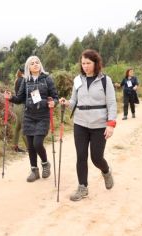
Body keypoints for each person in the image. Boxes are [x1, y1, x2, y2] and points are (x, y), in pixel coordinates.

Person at [59, 49, 117, 201]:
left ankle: (106, 171)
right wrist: (66, 103)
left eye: (88, 63)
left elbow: (111, 103)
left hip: (99, 124)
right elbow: (74, 101)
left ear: (96, 63)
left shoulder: (106, 80)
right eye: (83, 63)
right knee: (81, 156)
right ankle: (82, 188)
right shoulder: (78, 80)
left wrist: (111, 124)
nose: (85, 66)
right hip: (80, 123)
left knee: (96, 158)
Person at [4, 56, 59, 182]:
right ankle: (34, 170)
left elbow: (55, 97)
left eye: (37, 62)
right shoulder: (26, 80)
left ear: (40, 65)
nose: (35, 64)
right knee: (30, 146)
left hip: (42, 116)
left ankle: (45, 164)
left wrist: (53, 103)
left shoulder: (47, 79)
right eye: (32, 63)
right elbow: (19, 98)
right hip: (29, 116)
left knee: (37, 143)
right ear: (28, 67)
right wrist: (10, 97)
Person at [12, 66, 28, 153]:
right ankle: (30, 148)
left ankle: (15, 145)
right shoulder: (23, 80)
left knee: (18, 127)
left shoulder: (17, 79)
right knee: (24, 127)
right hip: (21, 106)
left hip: (16, 106)